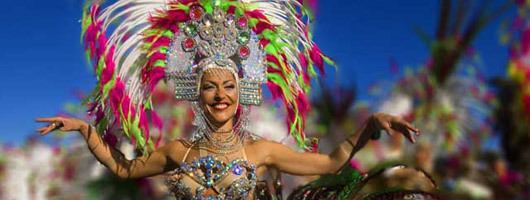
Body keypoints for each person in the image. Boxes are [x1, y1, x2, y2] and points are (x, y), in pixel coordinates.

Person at [36, 0, 435, 199]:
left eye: (228, 86)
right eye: (210, 86)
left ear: (241, 92)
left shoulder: (260, 150)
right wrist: (86, 130)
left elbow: (331, 162)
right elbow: (124, 171)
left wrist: (370, 125)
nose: (219, 95)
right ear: (197, 94)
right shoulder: (178, 150)